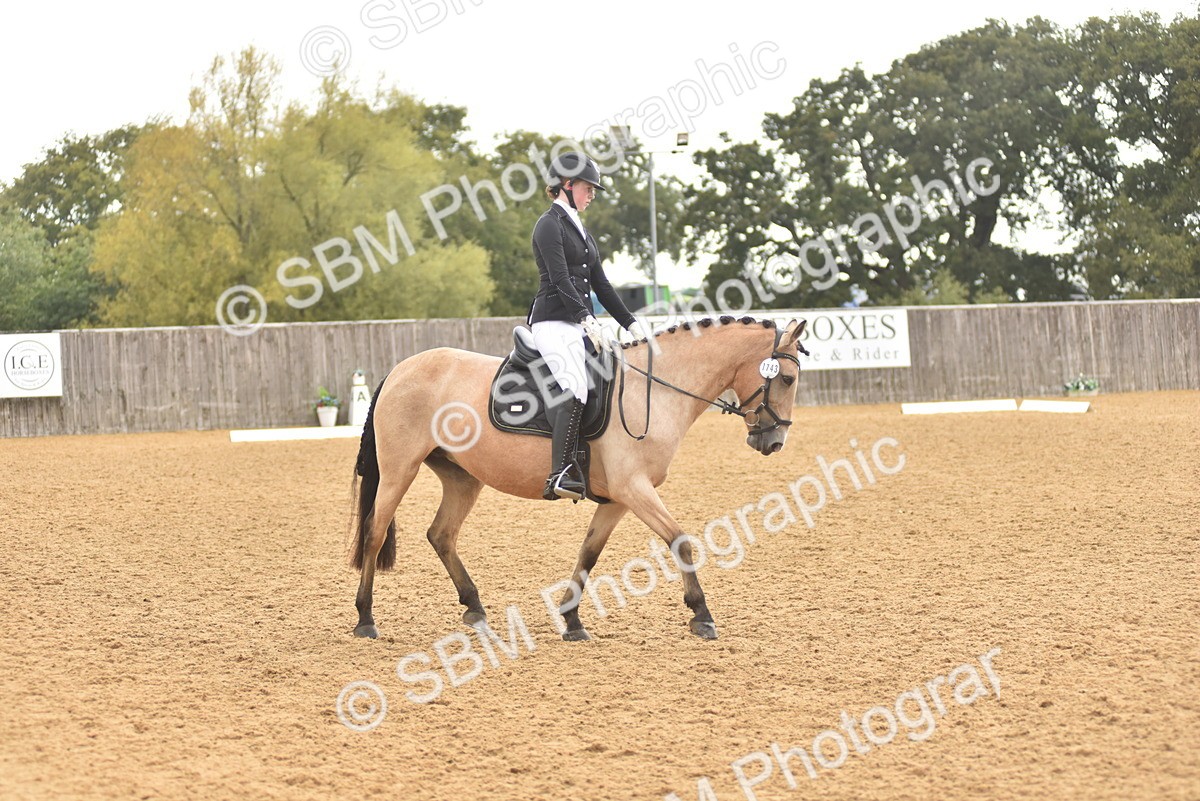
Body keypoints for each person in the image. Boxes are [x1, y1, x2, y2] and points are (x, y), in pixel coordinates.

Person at [528, 152, 648, 501]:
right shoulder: (548, 224)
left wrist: (630, 323)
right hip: (552, 321)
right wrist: (585, 317)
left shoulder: (581, 230)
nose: (592, 194)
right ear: (566, 185)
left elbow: (603, 285)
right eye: (587, 187)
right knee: (575, 388)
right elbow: (560, 278)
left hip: (578, 324)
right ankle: (559, 474)